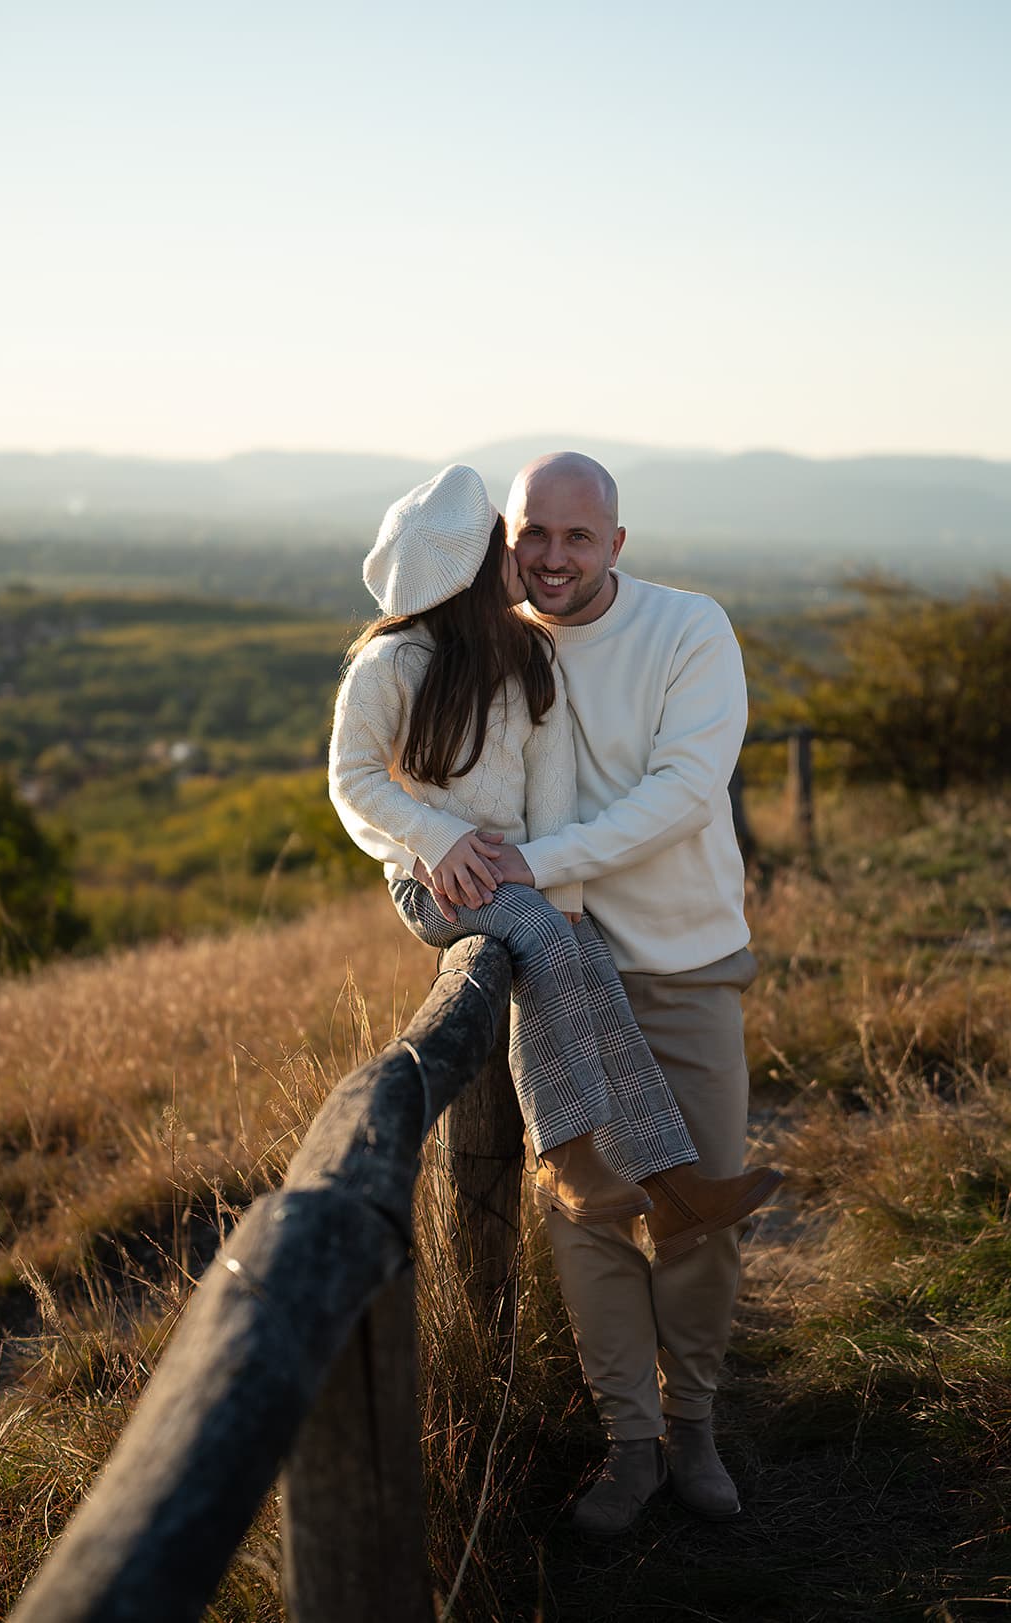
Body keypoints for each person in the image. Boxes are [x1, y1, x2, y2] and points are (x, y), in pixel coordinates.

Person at [429, 449, 767, 1533]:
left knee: (699, 1206)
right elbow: (410, 768)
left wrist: (543, 862)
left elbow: (683, 791)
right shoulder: (492, 647)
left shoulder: (688, 629)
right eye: (535, 534)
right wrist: (438, 848)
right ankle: (630, 1449)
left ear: (617, 543)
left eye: (579, 537)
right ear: (507, 538)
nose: (554, 557)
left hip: (686, 964)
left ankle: (698, 1430)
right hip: (560, 971)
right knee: (586, 1218)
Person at [328, 464, 778, 1242]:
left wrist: (565, 903)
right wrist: (437, 839)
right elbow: (352, 778)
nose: (528, 557)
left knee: (578, 949)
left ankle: (672, 1185)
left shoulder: (527, 658)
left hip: (518, 879)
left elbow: (553, 786)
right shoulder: (391, 664)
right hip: (434, 879)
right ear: (474, 572)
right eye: (511, 541)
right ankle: (566, 1155)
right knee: (539, 936)